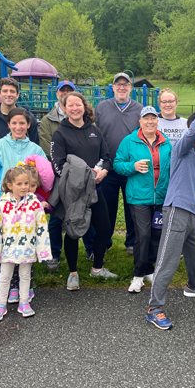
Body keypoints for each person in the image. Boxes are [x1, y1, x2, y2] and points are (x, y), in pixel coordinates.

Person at [146, 91, 195, 330]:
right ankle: (154, 308)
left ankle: (193, 287)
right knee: (167, 261)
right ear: (192, 130)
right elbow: (192, 133)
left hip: (192, 215)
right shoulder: (181, 148)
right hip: (176, 210)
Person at [51, 91, 117, 291]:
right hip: (74, 193)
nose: (74, 108)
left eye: (77, 104)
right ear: (64, 108)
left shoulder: (94, 131)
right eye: (70, 105)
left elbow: (106, 156)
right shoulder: (60, 133)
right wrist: (83, 176)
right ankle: (72, 273)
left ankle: (97, 268)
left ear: (84, 106)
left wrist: (103, 170)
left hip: (95, 190)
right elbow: (58, 165)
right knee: (73, 232)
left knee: (104, 229)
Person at [114, 106, 172, 293]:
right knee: (143, 234)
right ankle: (138, 275)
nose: (150, 122)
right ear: (140, 121)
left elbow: (172, 167)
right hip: (139, 197)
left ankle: (149, 269)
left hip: (160, 196)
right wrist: (133, 166)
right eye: (146, 119)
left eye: (153, 119)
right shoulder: (129, 141)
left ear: (157, 121)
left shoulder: (166, 142)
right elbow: (117, 164)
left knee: (156, 234)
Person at [0, 167, 51, 320]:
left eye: (26, 183)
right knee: (5, 276)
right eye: (19, 184)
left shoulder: (35, 204)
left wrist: (42, 250)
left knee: (25, 275)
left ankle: (24, 302)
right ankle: (1, 304)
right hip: (8, 248)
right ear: (10, 185)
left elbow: (41, 228)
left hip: (27, 247)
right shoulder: (2, 205)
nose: (23, 187)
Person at [94, 72, 141, 254]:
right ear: (112, 87)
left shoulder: (138, 109)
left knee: (132, 206)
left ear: (130, 88)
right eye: (118, 84)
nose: (122, 87)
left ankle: (131, 242)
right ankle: (105, 241)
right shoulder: (102, 107)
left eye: (125, 84)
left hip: (131, 167)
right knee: (107, 207)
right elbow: (96, 135)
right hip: (108, 166)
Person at [38, 80, 75, 270]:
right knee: (55, 214)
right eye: (63, 90)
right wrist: (64, 165)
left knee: (83, 210)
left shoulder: (80, 117)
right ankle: (54, 253)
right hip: (57, 173)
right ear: (57, 93)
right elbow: (46, 147)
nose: (66, 93)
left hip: (77, 174)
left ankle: (91, 249)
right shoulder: (47, 120)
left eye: (70, 91)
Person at [0, 108, 47, 201]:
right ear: (8, 124)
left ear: (28, 125)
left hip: (28, 201)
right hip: (3, 200)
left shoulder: (36, 149)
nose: (18, 127)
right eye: (14, 123)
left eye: (22, 123)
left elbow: (45, 175)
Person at [0, 77, 39, 150]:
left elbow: (34, 148)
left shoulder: (28, 118)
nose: (8, 94)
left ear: (17, 94)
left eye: (12, 91)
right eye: (5, 91)